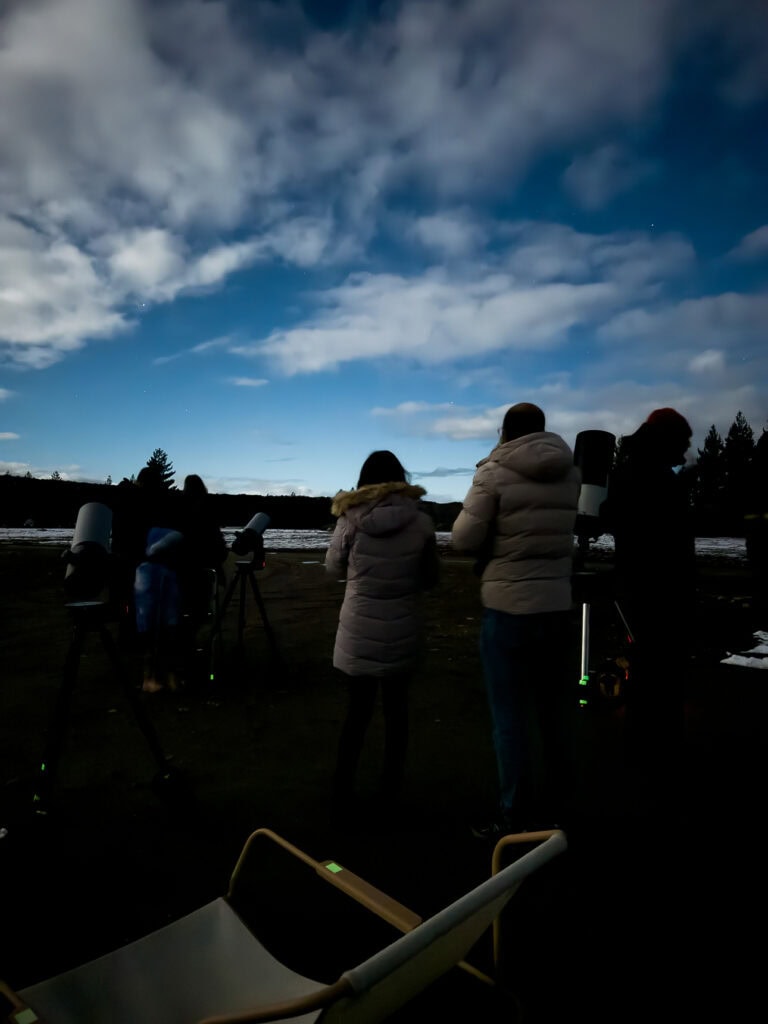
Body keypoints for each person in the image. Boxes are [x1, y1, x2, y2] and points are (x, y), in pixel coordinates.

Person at [452, 403, 580, 838]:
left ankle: (515, 816)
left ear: (505, 431)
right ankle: (561, 809)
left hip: (508, 610)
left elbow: (464, 538)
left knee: (510, 718)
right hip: (558, 607)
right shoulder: (571, 471)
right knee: (555, 715)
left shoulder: (495, 470)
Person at [325, 450, 440, 821]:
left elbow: (333, 567)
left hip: (360, 627)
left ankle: (341, 794)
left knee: (356, 715)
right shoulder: (421, 522)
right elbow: (431, 577)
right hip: (404, 625)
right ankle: (389, 795)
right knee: (397, 715)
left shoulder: (350, 519)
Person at [600, 407, 696, 816]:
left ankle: (646, 750)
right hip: (655, 589)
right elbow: (649, 523)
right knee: (658, 671)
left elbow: (614, 514)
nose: (688, 449)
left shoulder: (634, 468)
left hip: (645, 586)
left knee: (650, 669)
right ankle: (653, 759)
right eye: (684, 441)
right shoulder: (648, 474)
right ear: (668, 439)